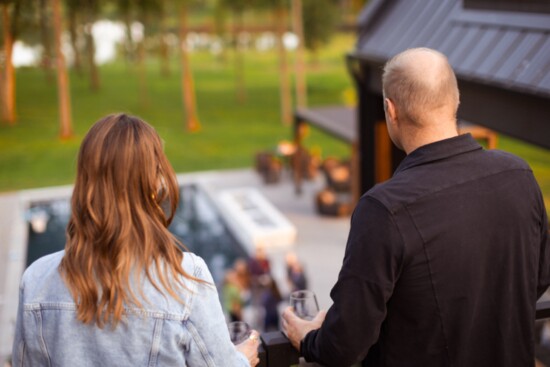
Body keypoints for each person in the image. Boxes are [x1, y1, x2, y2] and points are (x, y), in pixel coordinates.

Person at [282, 48, 550, 367]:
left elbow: (345, 345)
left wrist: (307, 339)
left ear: (390, 110)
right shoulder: (518, 175)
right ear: (455, 100)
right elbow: (538, 277)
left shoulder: (383, 209)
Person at [12, 114, 260, 366]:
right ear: (152, 185)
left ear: (85, 182)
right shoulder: (185, 278)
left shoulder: (36, 280)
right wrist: (242, 358)